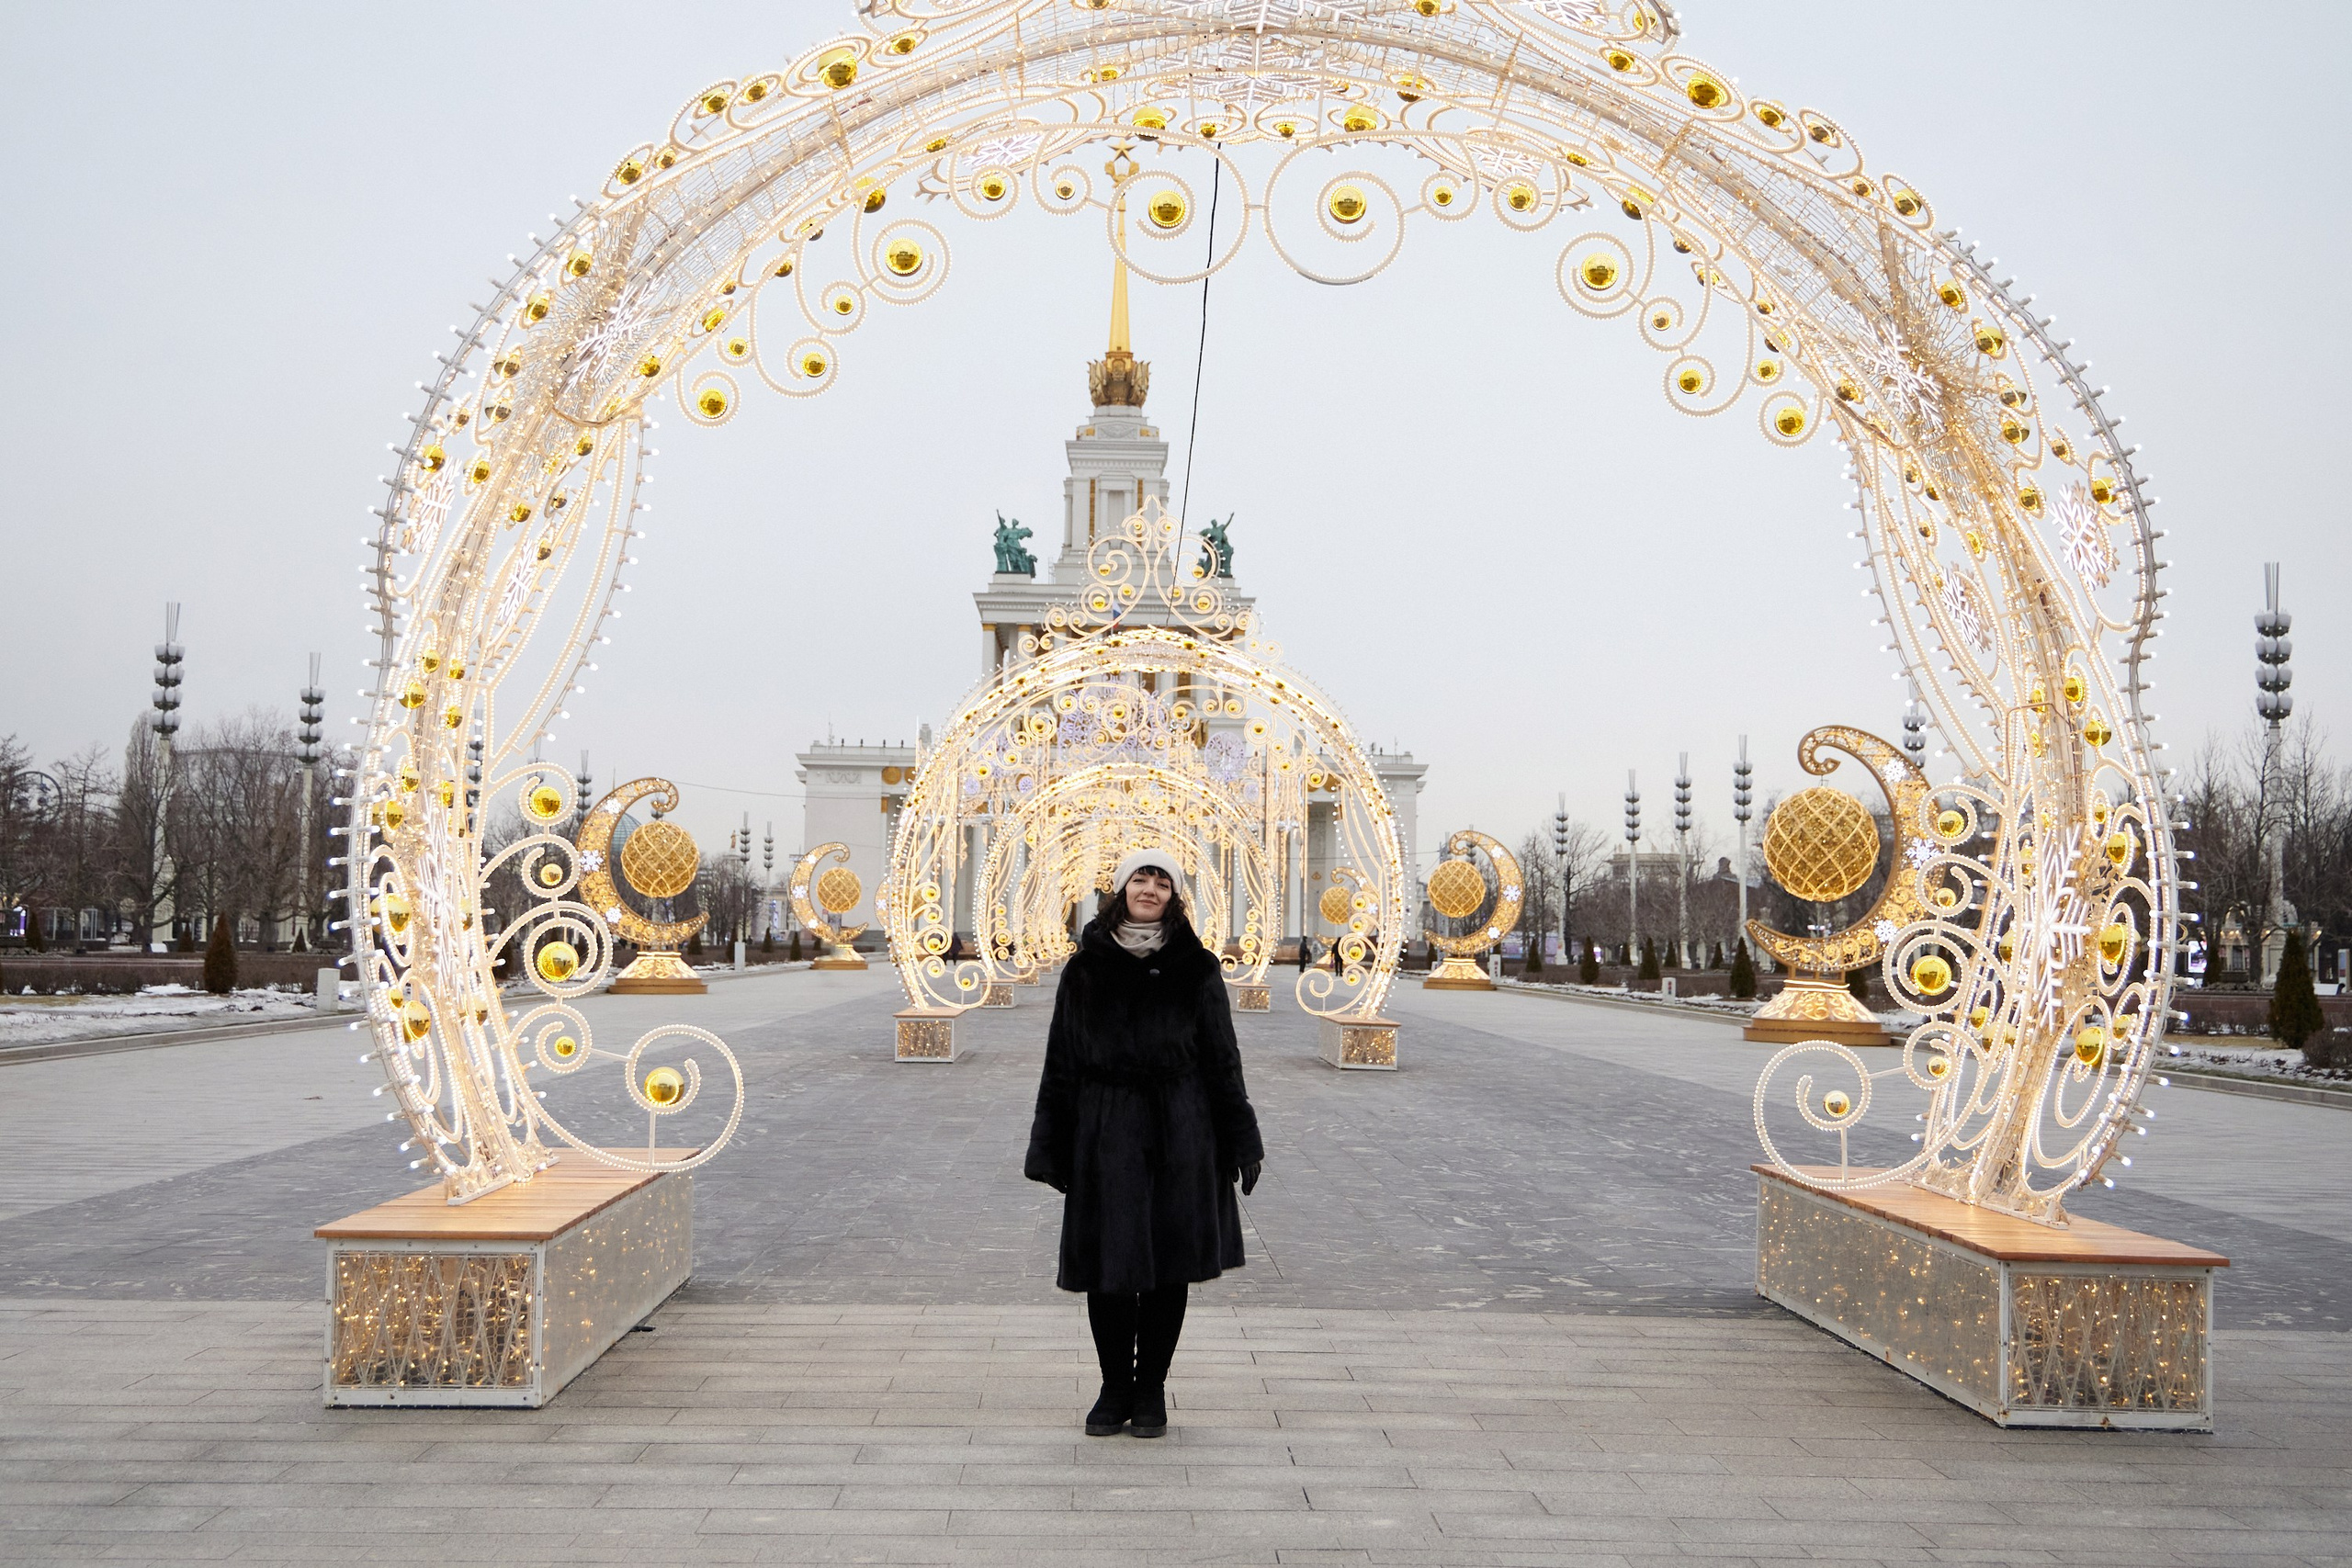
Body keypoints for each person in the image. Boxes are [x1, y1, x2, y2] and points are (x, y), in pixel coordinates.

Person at [1023, 851, 1264, 1438]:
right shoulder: (1084, 970)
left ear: (1174, 896)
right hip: (1105, 1129)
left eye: (1162, 881)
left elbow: (1222, 1059)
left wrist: (1241, 1139)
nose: (1150, 888)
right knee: (1107, 1267)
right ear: (1122, 888)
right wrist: (1051, 1145)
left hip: (1181, 1127)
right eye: (1141, 877)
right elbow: (1062, 1061)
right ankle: (1113, 1388)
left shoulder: (1198, 968)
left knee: (1166, 1268)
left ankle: (1151, 1387)